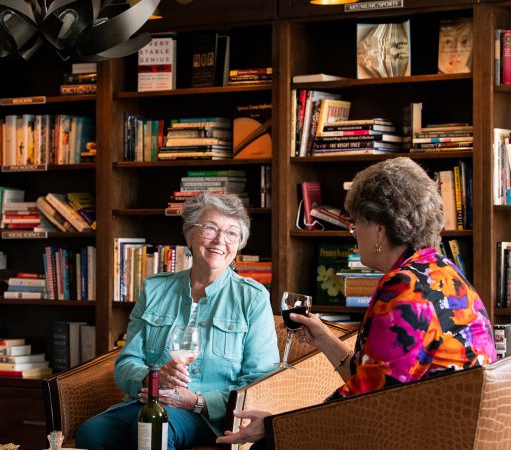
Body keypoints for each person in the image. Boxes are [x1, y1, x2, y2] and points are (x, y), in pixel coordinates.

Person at [217, 157, 496, 445]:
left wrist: (275, 426)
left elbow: (363, 406)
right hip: (443, 432)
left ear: (379, 229)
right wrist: (323, 338)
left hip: (421, 437)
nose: (353, 234)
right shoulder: (442, 272)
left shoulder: (404, 287)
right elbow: (379, 380)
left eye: (356, 223)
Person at [76, 193, 279, 450]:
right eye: (210, 228)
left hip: (209, 416)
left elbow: (260, 380)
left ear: (239, 244)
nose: (220, 241)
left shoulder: (252, 297)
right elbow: (126, 363)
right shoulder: (155, 289)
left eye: (231, 234)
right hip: (149, 404)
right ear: (190, 234)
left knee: (155, 431)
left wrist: (197, 401)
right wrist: (154, 379)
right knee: (91, 433)